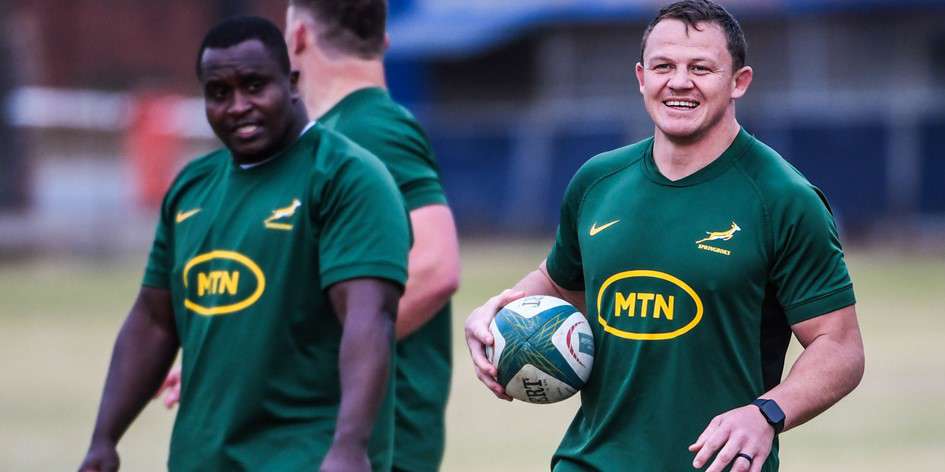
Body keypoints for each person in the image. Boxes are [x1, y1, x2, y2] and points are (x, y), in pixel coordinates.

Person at [464, 1, 865, 471]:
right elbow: (559, 284)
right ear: (641, 77)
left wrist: (766, 414)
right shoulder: (597, 181)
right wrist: (498, 315)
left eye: (701, 68)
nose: (679, 82)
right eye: (663, 66)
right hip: (589, 460)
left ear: (738, 82)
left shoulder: (783, 198)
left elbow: (840, 348)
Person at [79, 16, 411, 472]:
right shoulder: (192, 188)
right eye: (219, 92)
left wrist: (350, 447)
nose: (238, 106)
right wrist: (104, 439)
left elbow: (369, 318)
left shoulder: (346, 177)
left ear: (291, 82)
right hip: (201, 461)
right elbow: (153, 321)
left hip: (307, 459)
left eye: (255, 86)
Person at [158, 2, 460, 471]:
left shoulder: (369, 130)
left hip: (367, 441)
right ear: (383, 40)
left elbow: (436, 266)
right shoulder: (324, 138)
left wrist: (270, 362)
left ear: (296, 37)